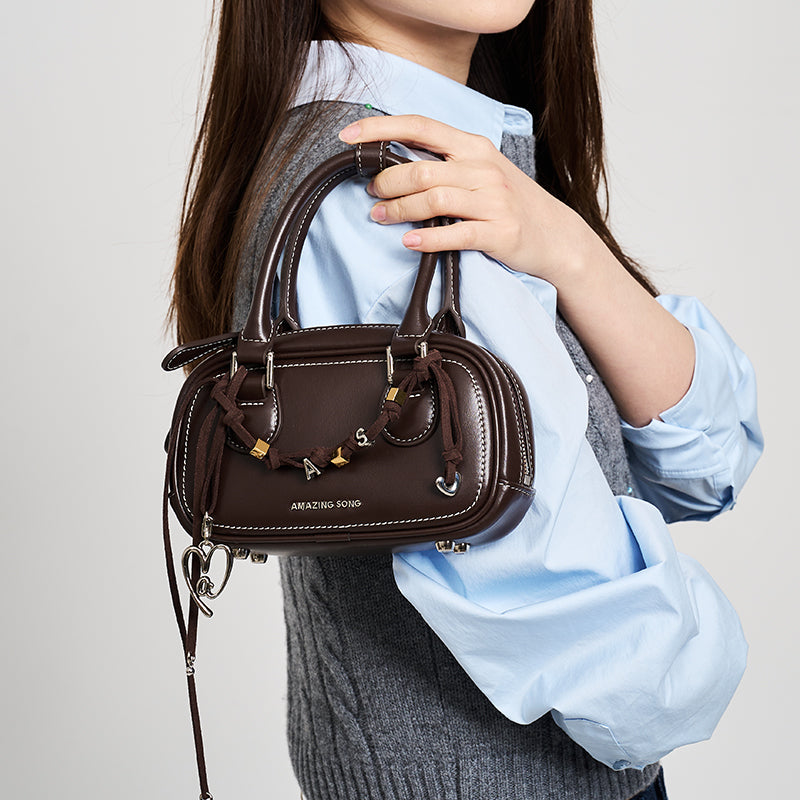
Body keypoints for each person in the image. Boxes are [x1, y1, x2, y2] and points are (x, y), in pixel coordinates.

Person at [169, 2, 763, 798]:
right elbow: (628, 677)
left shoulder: (458, 165)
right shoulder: (377, 196)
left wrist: (571, 250)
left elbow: (707, 458)